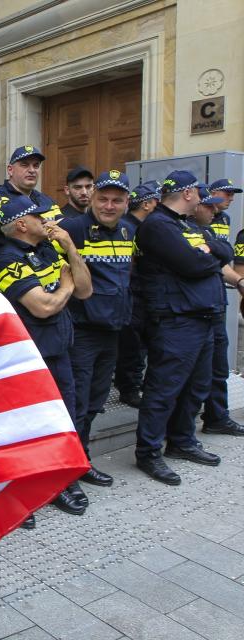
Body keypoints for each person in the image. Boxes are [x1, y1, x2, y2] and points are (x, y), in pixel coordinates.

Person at [0, 194, 92, 520]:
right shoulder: (6, 259)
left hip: (61, 348)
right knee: (31, 425)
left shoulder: (47, 249)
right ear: (22, 224)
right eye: (40, 216)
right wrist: (64, 286)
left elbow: (85, 289)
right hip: (30, 357)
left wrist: (71, 248)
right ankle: (32, 487)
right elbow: (43, 306)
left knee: (66, 417)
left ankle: (61, 480)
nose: (49, 221)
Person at [133, 170, 227, 486]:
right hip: (176, 320)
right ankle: (148, 453)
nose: (203, 200)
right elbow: (192, 265)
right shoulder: (157, 225)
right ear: (187, 194)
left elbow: (222, 250)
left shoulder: (186, 225)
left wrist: (209, 252)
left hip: (200, 318)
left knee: (197, 387)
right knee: (164, 389)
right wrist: (207, 256)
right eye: (199, 194)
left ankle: (182, 441)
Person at [59, 170, 134, 509]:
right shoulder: (73, 228)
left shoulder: (128, 228)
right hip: (82, 332)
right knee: (73, 406)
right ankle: (63, 478)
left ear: (126, 203)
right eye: (103, 198)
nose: (108, 204)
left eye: (117, 200)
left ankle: (83, 461)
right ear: (93, 198)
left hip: (113, 331)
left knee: (93, 404)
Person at [188, 186, 244, 437]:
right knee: (192, 377)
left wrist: (240, 282)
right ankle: (179, 435)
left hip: (216, 306)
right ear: (195, 205)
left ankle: (216, 417)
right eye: (208, 205)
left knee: (218, 368)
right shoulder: (182, 231)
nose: (213, 210)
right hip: (192, 313)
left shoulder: (209, 229)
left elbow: (223, 262)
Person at [114, 181, 160, 407]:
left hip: (145, 294)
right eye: (156, 201)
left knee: (142, 344)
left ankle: (135, 384)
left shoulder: (146, 226)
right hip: (130, 294)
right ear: (147, 204)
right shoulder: (125, 226)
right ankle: (129, 388)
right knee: (131, 345)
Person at [0, 145, 62, 271]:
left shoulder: (46, 200)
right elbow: (16, 228)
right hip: (10, 271)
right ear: (10, 170)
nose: (32, 170)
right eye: (24, 165)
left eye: (36, 165)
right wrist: (49, 228)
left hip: (47, 269)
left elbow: (63, 228)